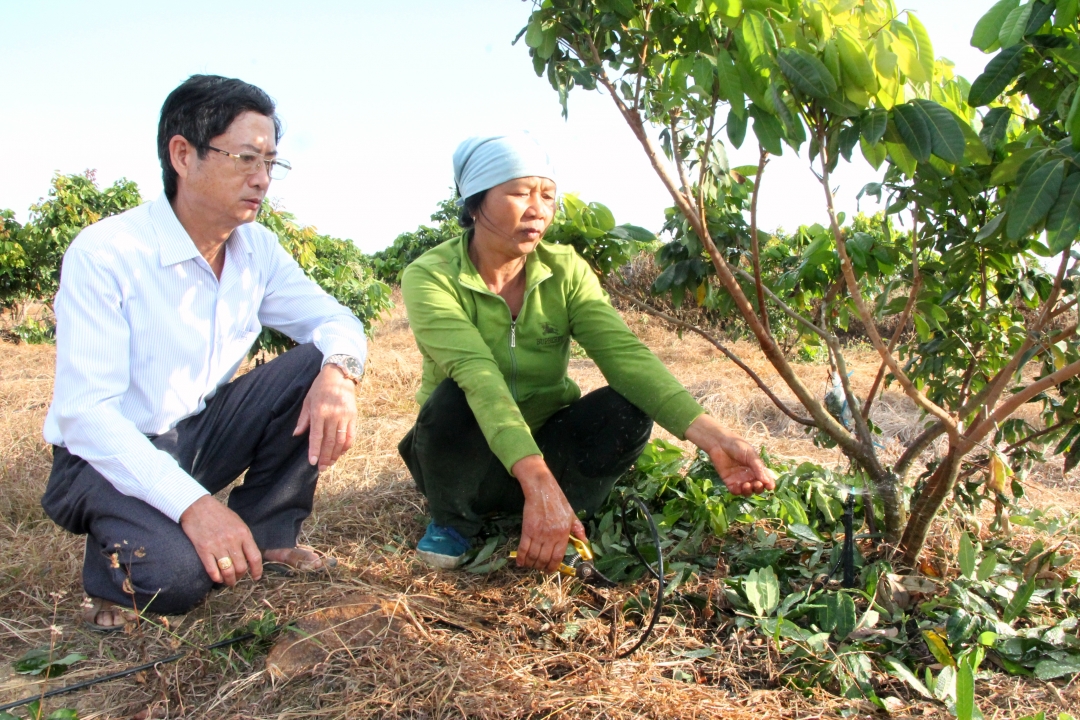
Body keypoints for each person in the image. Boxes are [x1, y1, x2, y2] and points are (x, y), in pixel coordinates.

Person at [41, 75, 367, 630]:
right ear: (183, 155)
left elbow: (335, 320)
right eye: (245, 158)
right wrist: (196, 507)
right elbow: (87, 415)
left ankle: (267, 534)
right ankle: (112, 575)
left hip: (196, 433)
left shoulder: (256, 249)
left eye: (271, 163)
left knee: (320, 358)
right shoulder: (108, 253)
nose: (261, 179)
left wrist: (339, 375)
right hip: (101, 455)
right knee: (180, 579)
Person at [398, 132, 775, 571]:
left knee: (626, 408)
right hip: (465, 456)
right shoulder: (430, 276)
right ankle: (453, 521)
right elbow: (478, 374)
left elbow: (626, 357)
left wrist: (718, 440)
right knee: (456, 396)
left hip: (547, 441)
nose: (538, 209)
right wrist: (537, 480)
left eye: (548, 196)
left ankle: (559, 511)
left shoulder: (567, 270)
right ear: (475, 202)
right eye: (519, 193)